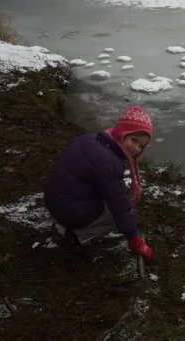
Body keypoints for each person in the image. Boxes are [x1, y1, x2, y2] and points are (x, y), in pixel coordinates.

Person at [44, 105, 154, 260]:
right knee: (120, 213)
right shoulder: (108, 161)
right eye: (133, 140)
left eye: (141, 145)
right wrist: (135, 241)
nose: (136, 148)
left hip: (55, 200)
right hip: (70, 212)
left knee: (114, 200)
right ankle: (77, 233)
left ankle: (67, 223)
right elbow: (120, 208)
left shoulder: (91, 138)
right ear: (122, 133)